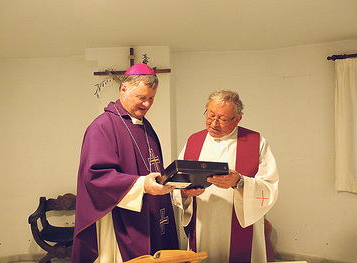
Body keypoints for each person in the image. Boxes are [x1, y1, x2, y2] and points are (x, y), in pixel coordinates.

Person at [72, 64, 179, 263]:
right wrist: (142, 185)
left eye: (151, 98)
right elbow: (95, 176)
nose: (147, 104)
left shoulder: (145, 126)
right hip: (117, 219)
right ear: (124, 89)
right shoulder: (102, 126)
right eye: (141, 97)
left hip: (148, 211)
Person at [173, 89, 279, 263]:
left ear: (238, 119)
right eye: (210, 115)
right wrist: (184, 193)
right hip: (203, 224)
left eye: (222, 119)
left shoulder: (256, 142)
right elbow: (177, 182)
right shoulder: (193, 141)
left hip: (241, 226)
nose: (214, 123)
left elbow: (270, 186)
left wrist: (240, 182)